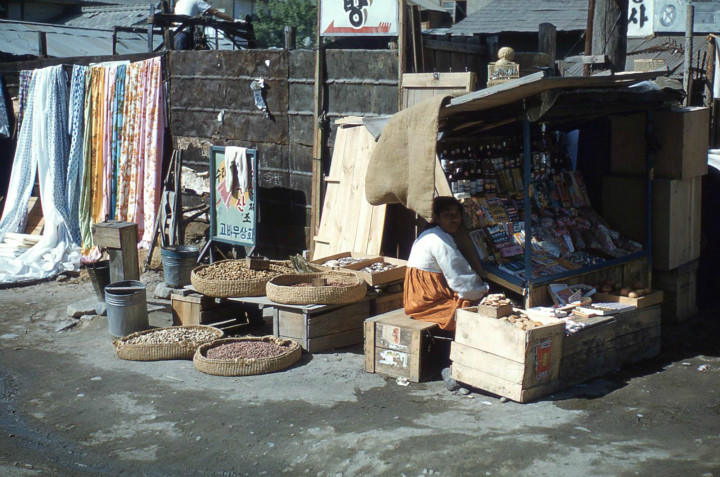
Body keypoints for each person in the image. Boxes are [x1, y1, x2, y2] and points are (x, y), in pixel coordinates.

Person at [404, 196, 489, 332]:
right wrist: (483, 290)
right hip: (426, 302)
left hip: (422, 298)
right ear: (437, 218)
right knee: (479, 311)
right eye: (448, 215)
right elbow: (458, 277)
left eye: (457, 215)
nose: (454, 219)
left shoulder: (434, 234)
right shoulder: (437, 239)